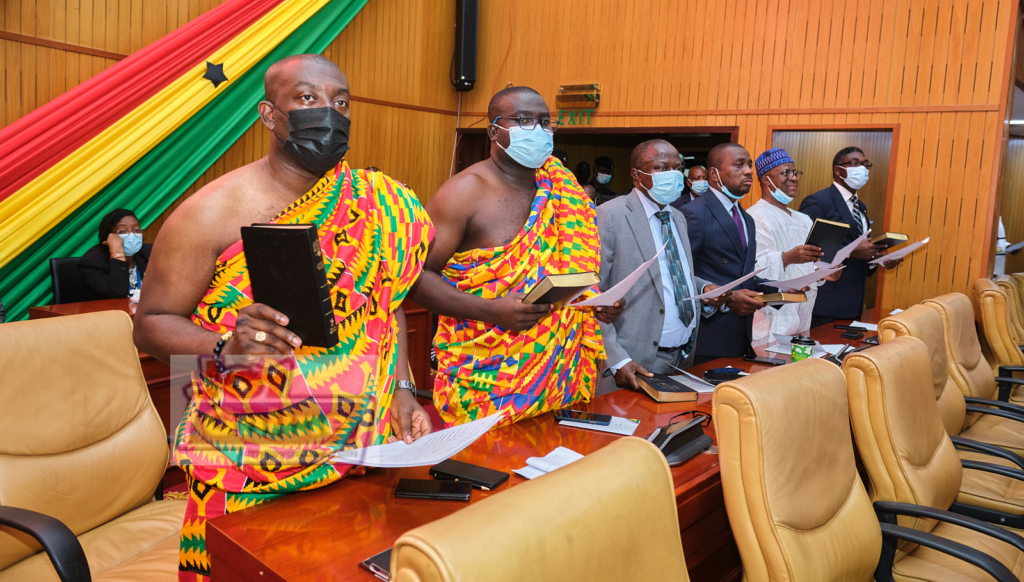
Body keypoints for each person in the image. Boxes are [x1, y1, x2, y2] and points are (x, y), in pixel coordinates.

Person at [132, 55, 434, 582]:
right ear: (269, 115)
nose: (330, 113)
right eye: (308, 99)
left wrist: (403, 390)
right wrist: (226, 346)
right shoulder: (211, 212)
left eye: (341, 102)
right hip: (245, 461)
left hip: (355, 450)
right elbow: (152, 323)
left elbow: (388, 309)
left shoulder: (377, 202)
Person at [409, 86, 623, 428]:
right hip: (487, 378)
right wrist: (491, 310)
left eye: (544, 122)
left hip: (559, 373)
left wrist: (594, 303)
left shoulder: (562, 188)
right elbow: (415, 278)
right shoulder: (464, 192)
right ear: (494, 130)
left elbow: (571, 271)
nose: (537, 131)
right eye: (524, 120)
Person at [595, 140, 726, 393]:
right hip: (632, 361)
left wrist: (704, 287)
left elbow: (672, 273)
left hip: (683, 356)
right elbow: (592, 294)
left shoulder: (677, 216)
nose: (673, 175)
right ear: (637, 175)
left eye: (677, 167)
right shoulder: (609, 216)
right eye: (662, 168)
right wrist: (617, 359)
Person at [682, 143, 768, 362]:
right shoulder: (693, 213)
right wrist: (727, 299)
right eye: (739, 165)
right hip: (708, 339)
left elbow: (742, 274)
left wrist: (781, 289)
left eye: (749, 165)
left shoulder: (747, 219)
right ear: (714, 174)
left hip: (741, 335)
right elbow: (680, 277)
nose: (749, 171)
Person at [747, 148, 840, 344]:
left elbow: (807, 265)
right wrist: (786, 258)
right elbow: (753, 268)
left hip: (803, 316)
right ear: (766, 179)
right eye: (785, 173)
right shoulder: (754, 217)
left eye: (795, 173)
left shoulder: (804, 219)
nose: (794, 178)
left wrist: (824, 272)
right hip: (771, 317)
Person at [799, 146, 900, 327]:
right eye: (854, 163)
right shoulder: (818, 201)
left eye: (865, 164)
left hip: (852, 302)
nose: (862, 169)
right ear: (838, 170)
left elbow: (858, 248)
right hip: (825, 303)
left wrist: (877, 258)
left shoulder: (860, 206)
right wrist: (852, 252)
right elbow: (805, 249)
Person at [77, 208, 152, 300]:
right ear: (108, 236)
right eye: (123, 231)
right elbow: (117, 292)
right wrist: (117, 252)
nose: (132, 235)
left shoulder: (149, 253)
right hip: (110, 313)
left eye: (136, 230)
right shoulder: (92, 262)